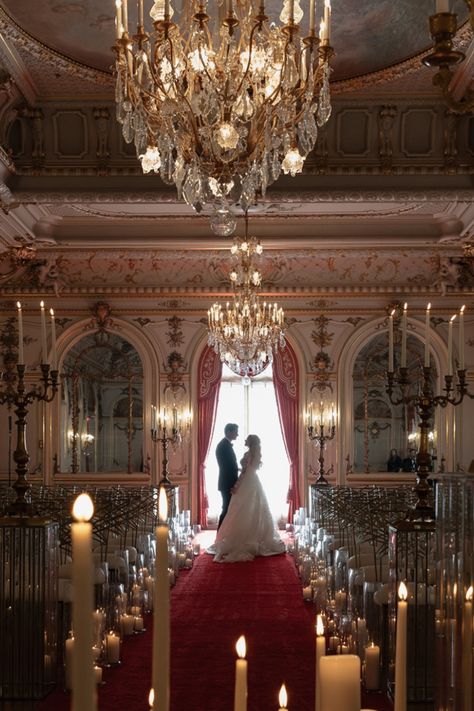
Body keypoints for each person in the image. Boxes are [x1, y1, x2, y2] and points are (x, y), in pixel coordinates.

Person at [208, 434, 286, 563]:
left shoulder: (248, 454)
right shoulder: (256, 454)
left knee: (241, 509)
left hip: (246, 482)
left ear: (250, 442)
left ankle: (242, 538)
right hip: (254, 481)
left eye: (247, 439)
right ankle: (257, 536)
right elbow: (248, 469)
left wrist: (236, 486)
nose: (244, 440)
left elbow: (244, 473)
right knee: (255, 509)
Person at [216, 423, 239, 530]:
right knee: (226, 508)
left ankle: (225, 533)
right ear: (229, 432)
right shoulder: (224, 446)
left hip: (227, 482)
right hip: (227, 482)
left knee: (228, 508)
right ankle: (220, 533)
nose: (237, 434)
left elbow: (231, 466)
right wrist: (233, 484)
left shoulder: (225, 445)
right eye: (235, 431)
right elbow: (227, 467)